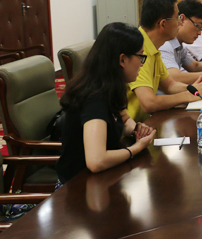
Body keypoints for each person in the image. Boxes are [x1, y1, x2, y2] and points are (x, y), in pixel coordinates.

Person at [56, 22, 157, 185]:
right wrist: (136, 148)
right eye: (140, 56)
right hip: (78, 188)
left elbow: (123, 119)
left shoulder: (110, 86)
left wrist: (136, 129)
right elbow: (96, 161)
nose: (141, 63)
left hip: (101, 180)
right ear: (122, 59)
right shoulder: (95, 98)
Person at [126, 0, 202, 123]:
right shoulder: (139, 48)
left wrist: (199, 89)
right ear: (163, 24)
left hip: (144, 125)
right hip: (130, 128)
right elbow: (149, 103)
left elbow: (169, 85)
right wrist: (188, 96)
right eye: (177, 18)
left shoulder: (153, 46)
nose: (180, 23)